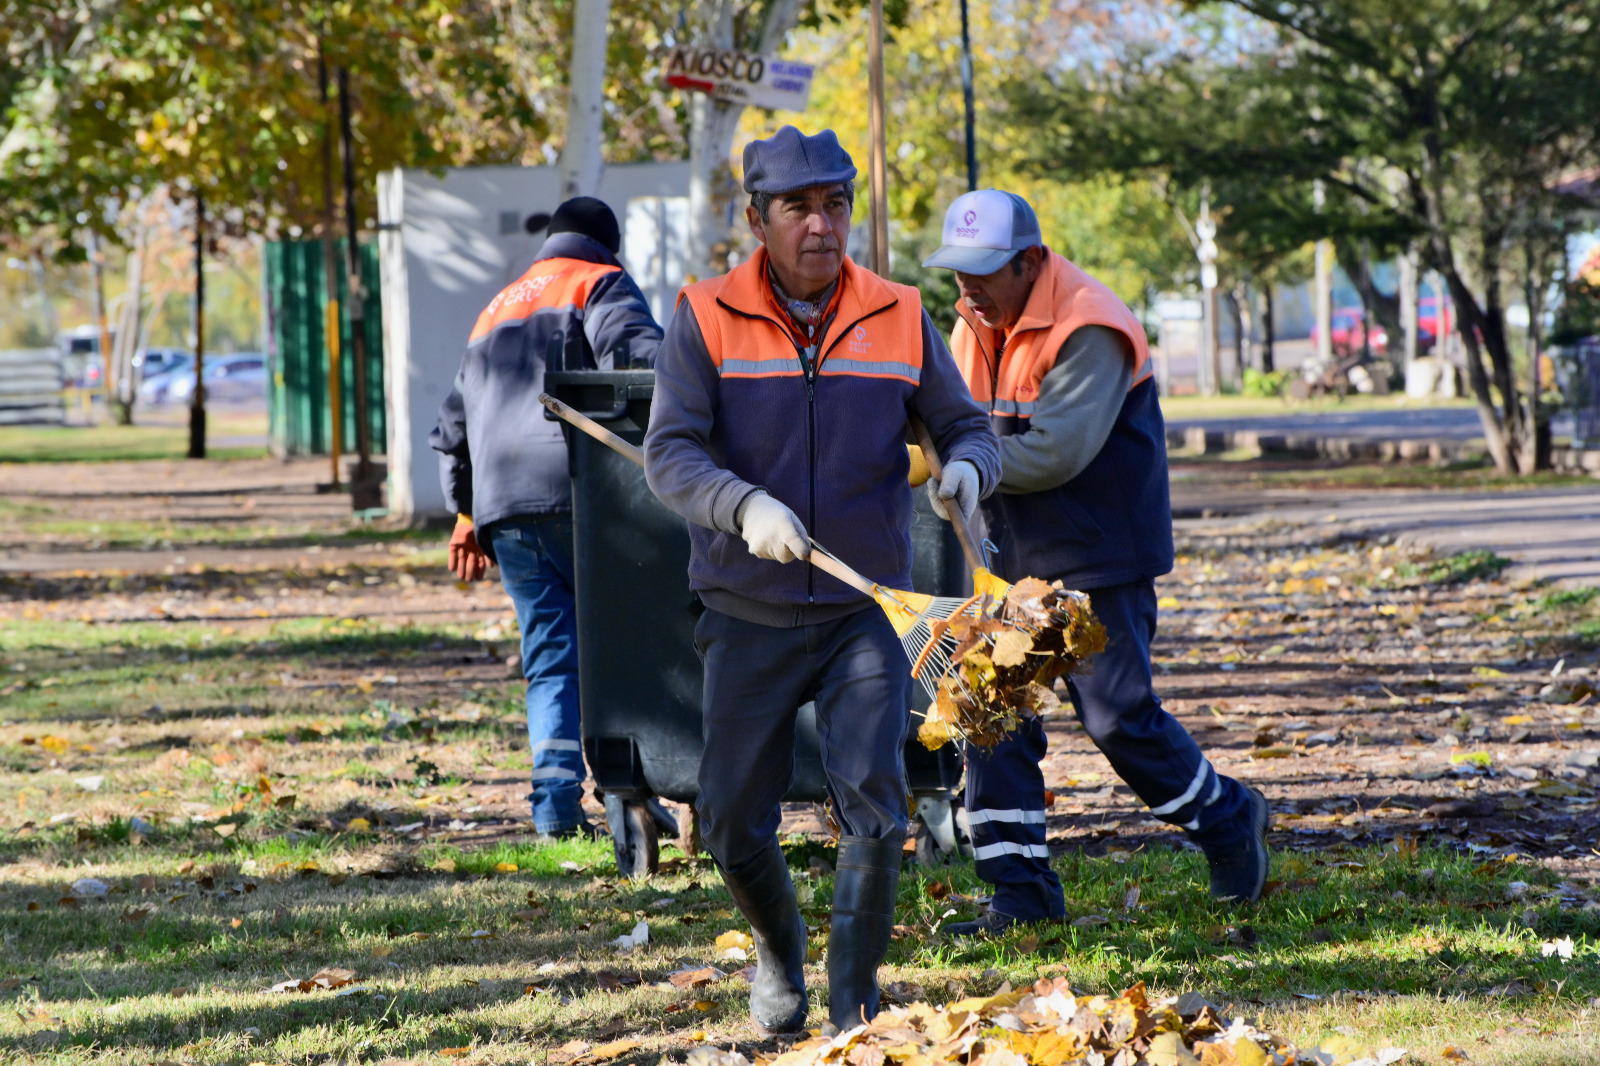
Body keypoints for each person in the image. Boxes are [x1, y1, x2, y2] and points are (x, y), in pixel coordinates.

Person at [644, 127, 999, 1033]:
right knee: (729, 815)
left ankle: (853, 1007)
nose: (820, 224)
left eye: (835, 205)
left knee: (875, 802)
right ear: (756, 219)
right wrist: (742, 507)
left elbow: (965, 425)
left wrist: (967, 467)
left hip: (863, 610)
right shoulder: (704, 314)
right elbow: (670, 453)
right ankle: (779, 950)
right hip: (746, 606)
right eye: (797, 207)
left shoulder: (899, 311)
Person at [921, 189, 1270, 934]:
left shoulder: (1090, 324)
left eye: (983, 269)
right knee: (991, 716)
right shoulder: (973, 319)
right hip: (1012, 558)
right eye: (958, 270)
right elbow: (953, 420)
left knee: (1119, 722)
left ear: (1030, 262)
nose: (967, 286)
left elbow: (1057, 450)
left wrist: (967, 466)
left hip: (1098, 554)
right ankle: (1020, 894)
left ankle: (1228, 818)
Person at [430, 196, 664, 841]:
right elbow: (643, 369)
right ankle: (630, 785)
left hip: (504, 511)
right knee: (627, 646)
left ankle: (556, 807)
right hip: (586, 499)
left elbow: (451, 429)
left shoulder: (496, 307)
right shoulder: (600, 282)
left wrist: (466, 513)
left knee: (551, 652)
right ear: (609, 246)